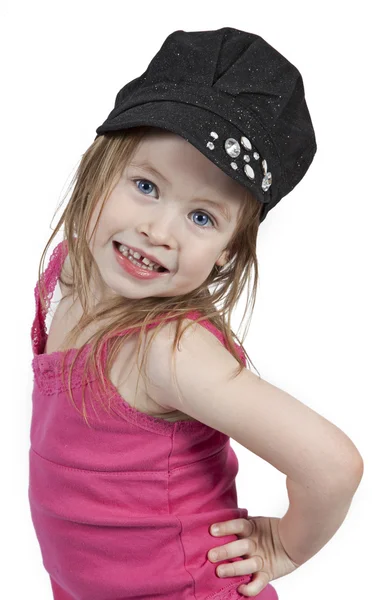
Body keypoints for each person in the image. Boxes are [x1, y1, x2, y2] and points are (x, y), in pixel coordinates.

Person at [28, 28, 364, 600]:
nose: (157, 231)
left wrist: (285, 544)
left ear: (229, 249)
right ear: (96, 169)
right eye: (145, 185)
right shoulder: (67, 274)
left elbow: (334, 465)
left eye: (202, 218)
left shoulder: (169, 349)